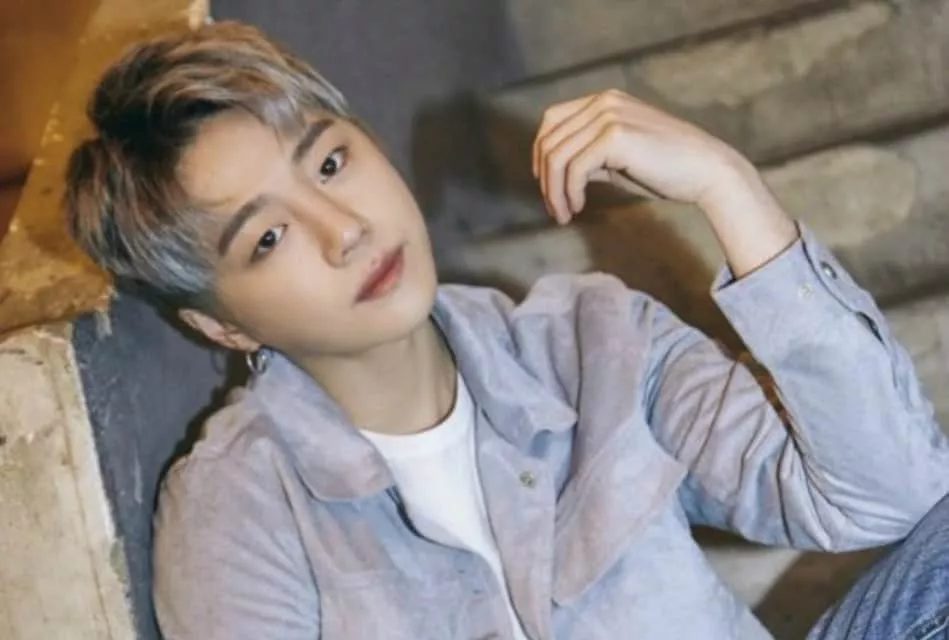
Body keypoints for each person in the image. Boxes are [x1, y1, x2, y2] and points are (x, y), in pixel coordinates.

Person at [63, 21, 949, 640]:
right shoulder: (239, 510)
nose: (346, 230)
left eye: (331, 162)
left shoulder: (593, 345)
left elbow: (892, 496)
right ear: (220, 324)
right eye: (267, 238)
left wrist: (727, 185)